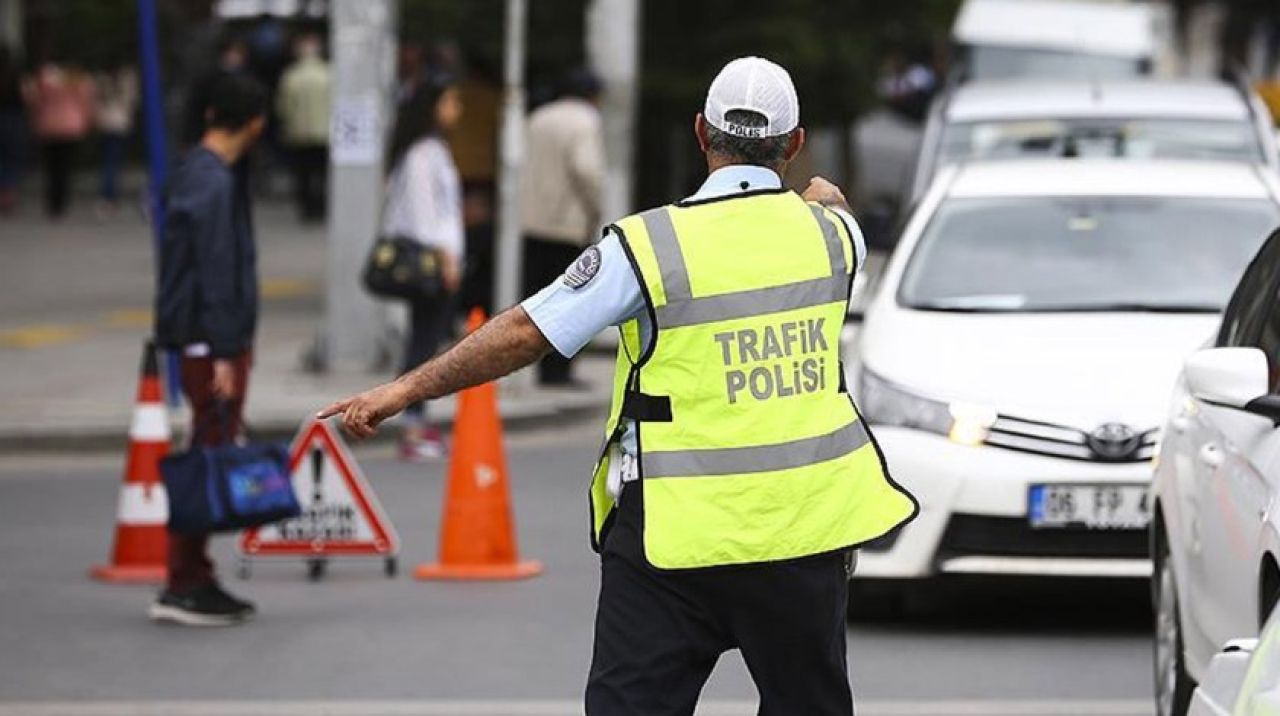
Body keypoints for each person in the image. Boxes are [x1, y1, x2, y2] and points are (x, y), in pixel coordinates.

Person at [319, 57, 918, 715]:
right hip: (803, 534)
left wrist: (402, 391)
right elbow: (830, 202)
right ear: (795, 143)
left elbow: (525, 331)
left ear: (700, 133)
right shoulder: (834, 238)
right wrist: (821, 195)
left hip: (672, 540)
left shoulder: (648, 246)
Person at [152, 74, 267, 627]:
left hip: (204, 337)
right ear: (255, 124)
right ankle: (185, 581)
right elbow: (216, 272)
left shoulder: (195, 171)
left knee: (208, 447)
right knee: (207, 454)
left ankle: (193, 574)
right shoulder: (214, 182)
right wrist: (226, 351)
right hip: (209, 342)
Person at [380, 70, 465, 461]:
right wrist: (445, 258)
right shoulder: (421, 154)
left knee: (426, 339)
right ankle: (411, 423)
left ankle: (416, 419)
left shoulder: (432, 149)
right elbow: (424, 215)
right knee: (423, 342)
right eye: (450, 101)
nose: (457, 109)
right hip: (430, 261)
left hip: (438, 259)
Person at [518, 68, 605, 387]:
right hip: (567, 224)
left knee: (539, 298)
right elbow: (587, 169)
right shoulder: (585, 120)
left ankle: (541, 367)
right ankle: (559, 371)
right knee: (572, 300)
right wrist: (595, 208)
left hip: (532, 220)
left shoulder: (538, 118)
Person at [24, 59, 94, 218]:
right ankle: (61, 201)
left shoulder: (43, 79)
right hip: (70, 126)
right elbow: (86, 101)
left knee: (51, 167)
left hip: (48, 126)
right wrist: (87, 120)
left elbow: (33, 100)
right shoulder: (76, 79)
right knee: (64, 167)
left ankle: (53, 201)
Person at [276, 33, 330, 222]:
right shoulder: (328, 74)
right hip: (325, 132)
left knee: (303, 173)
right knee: (322, 172)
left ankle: (307, 207)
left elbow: (284, 106)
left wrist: (287, 126)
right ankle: (321, 206)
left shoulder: (291, 76)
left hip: (300, 132)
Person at [94, 58, 139, 214]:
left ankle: (108, 195)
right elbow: (132, 100)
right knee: (114, 161)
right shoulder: (126, 79)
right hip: (119, 122)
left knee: (109, 160)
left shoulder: (102, 79)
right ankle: (110, 195)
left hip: (106, 122)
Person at [0, 46, 25, 215]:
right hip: (11, 118)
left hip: (8, 116)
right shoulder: (14, 75)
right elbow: (22, 99)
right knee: (10, 159)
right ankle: (7, 195)